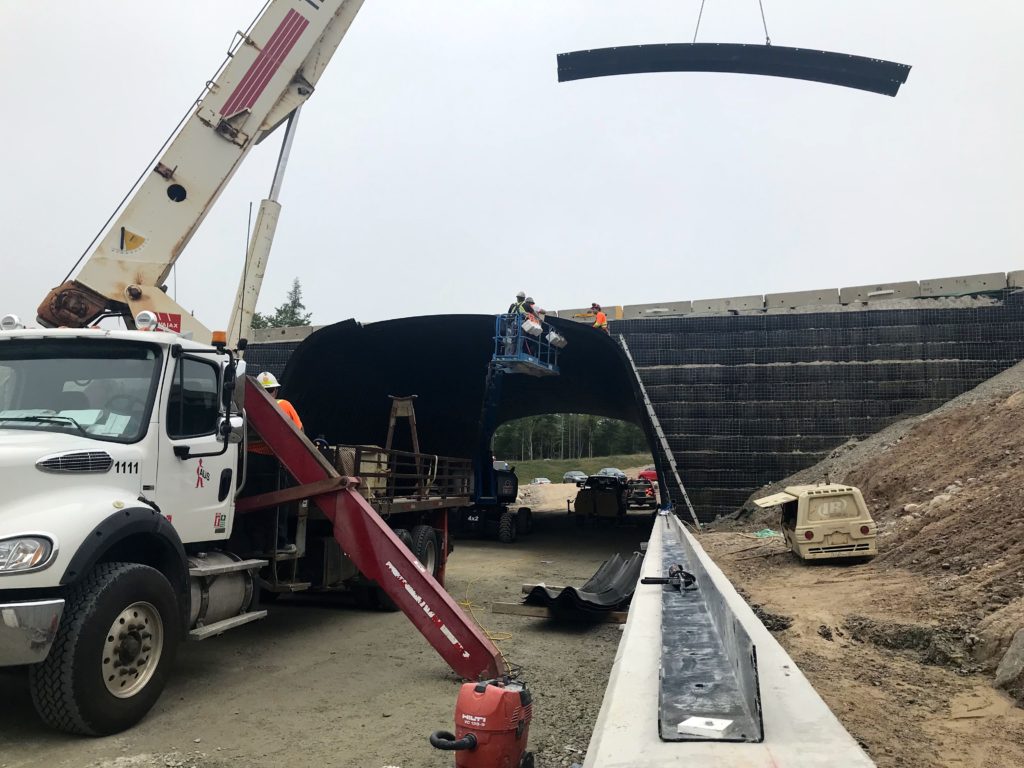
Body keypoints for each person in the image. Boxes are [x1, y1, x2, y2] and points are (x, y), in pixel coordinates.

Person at [250, 371, 303, 554]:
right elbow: (299, 433)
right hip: (272, 463)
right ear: (275, 391)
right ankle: (279, 543)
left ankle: (255, 546)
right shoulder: (283, 405)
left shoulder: (247, 407)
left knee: (254, 503)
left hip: (249, 463)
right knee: (279, 502)